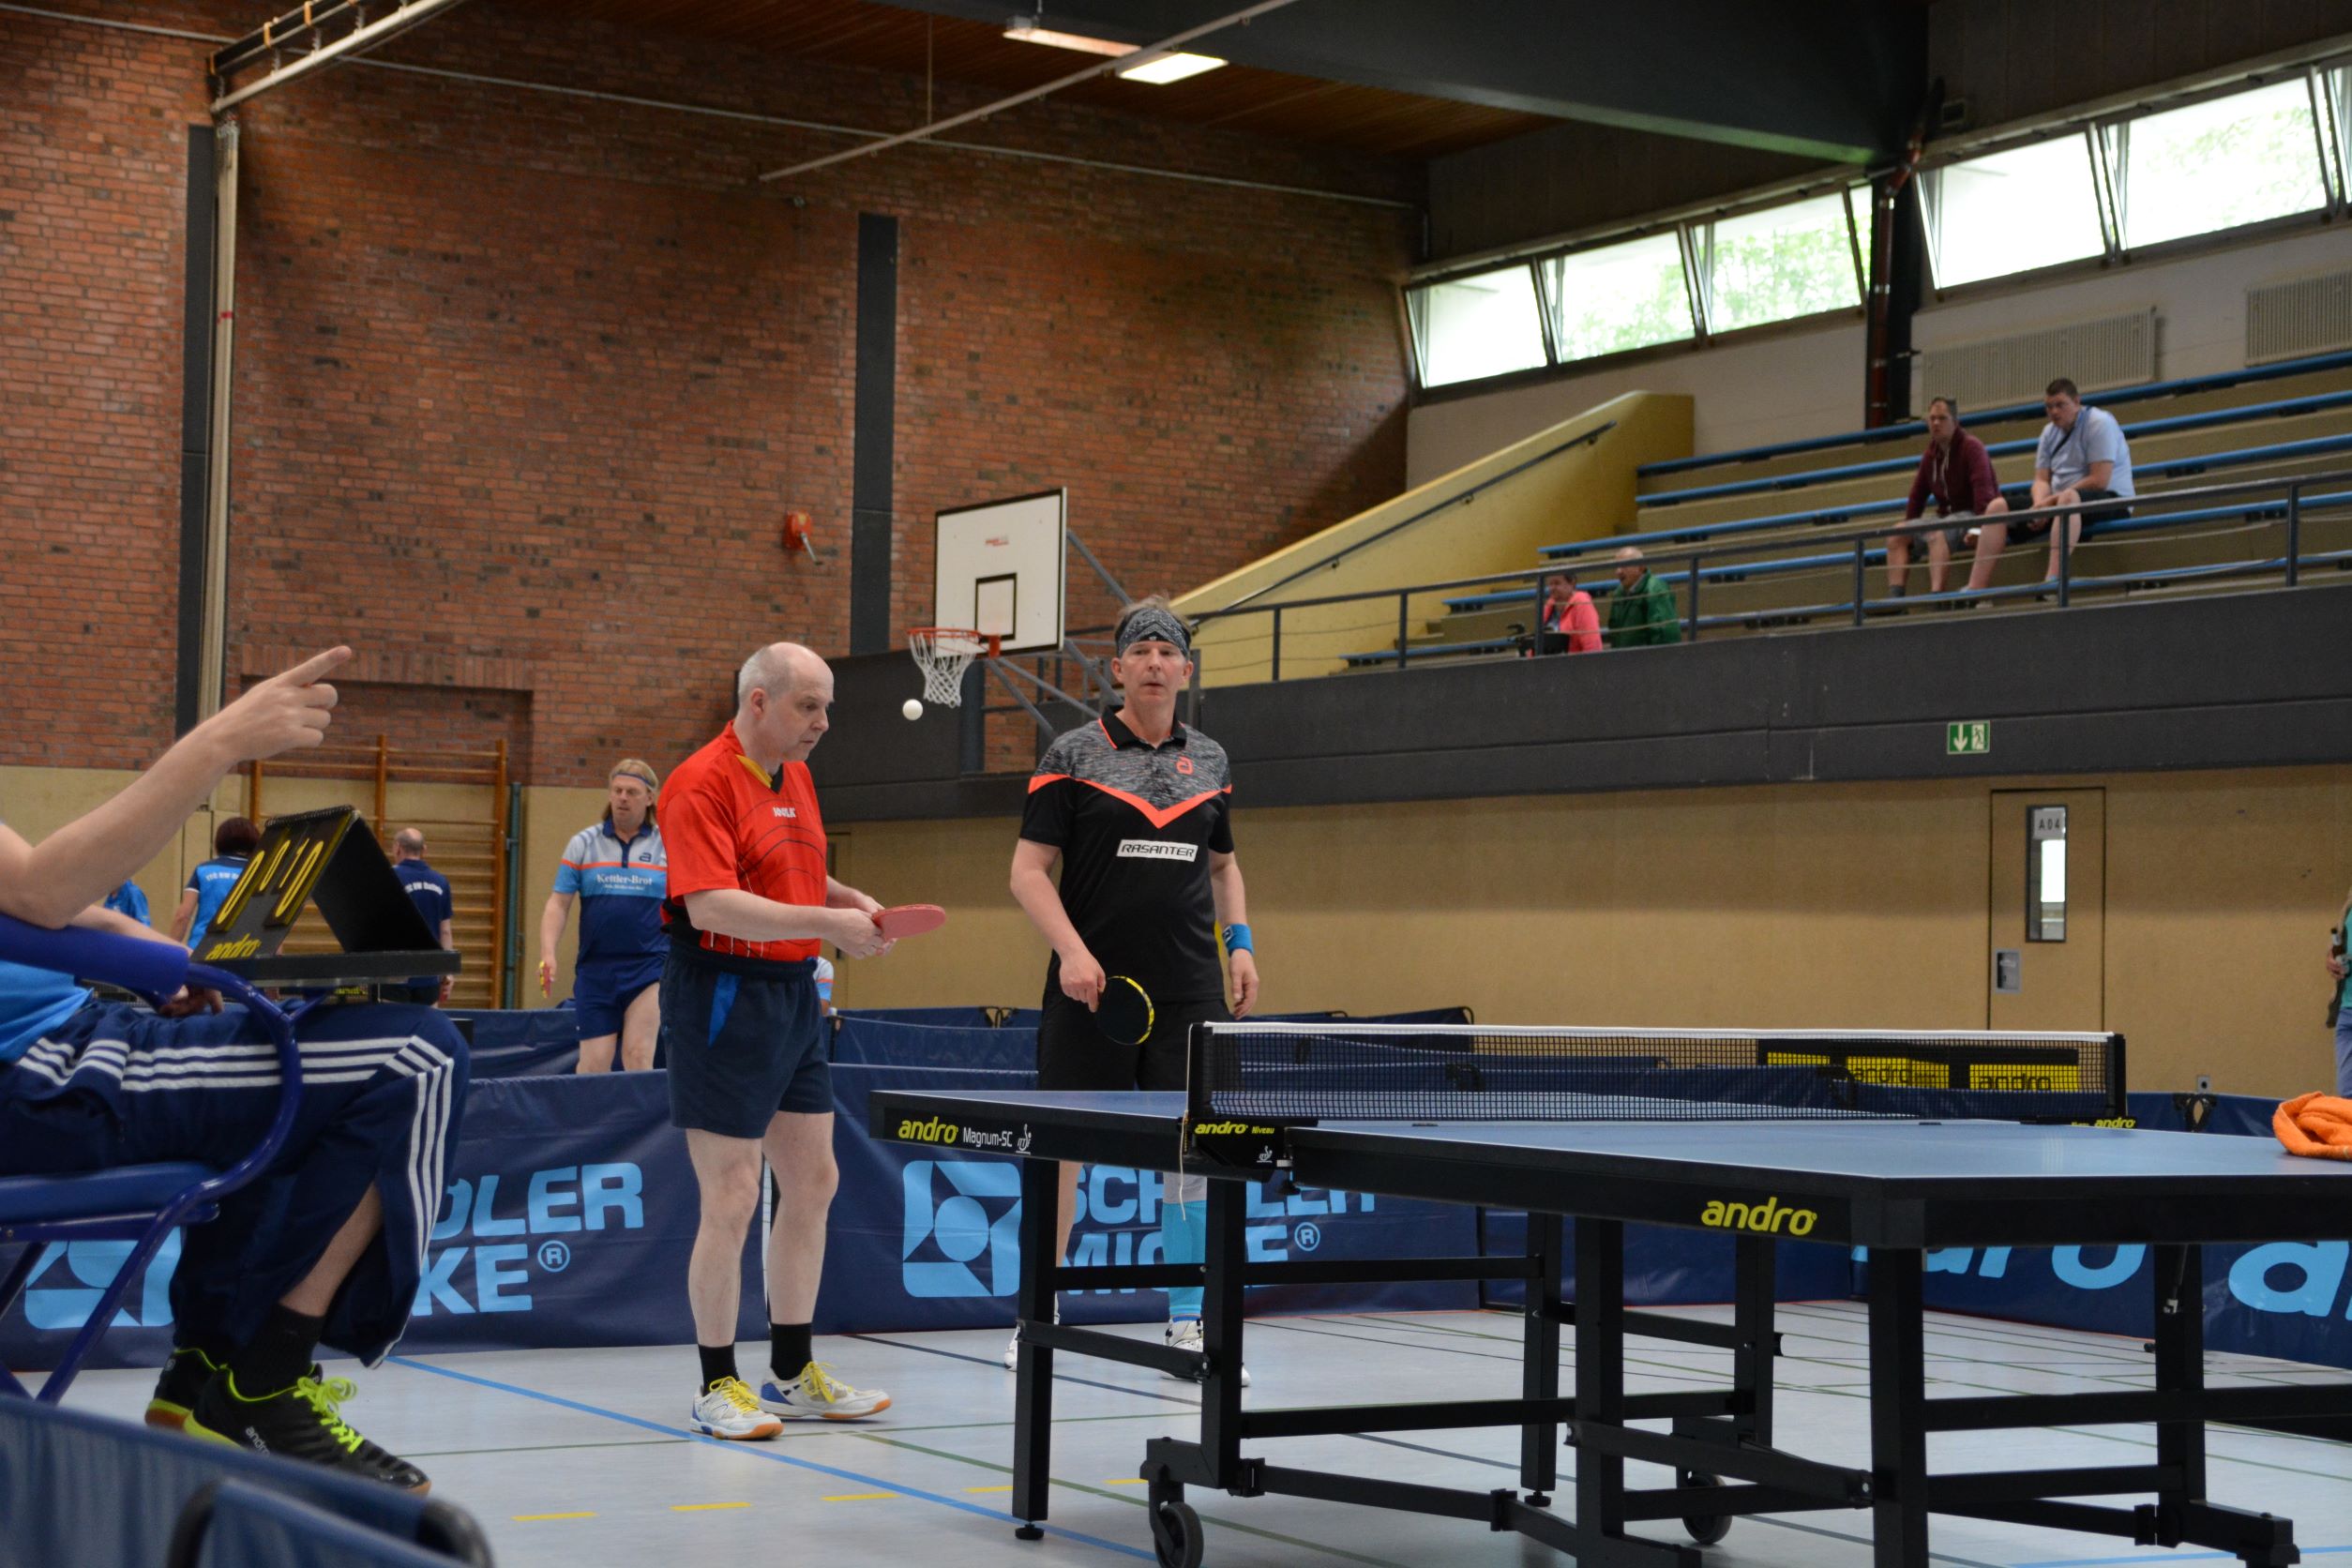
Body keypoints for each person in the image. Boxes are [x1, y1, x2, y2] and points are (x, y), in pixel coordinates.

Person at [0, 647, 467, 1491]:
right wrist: (220, 742)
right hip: (39, 1079)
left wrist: (151, 952)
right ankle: (264, 1381)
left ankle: (204, 1371)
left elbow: (35, 902)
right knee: (414, 1055)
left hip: (79, 1037)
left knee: (296, 1069)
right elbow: (38, 892)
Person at [1007, 596, 1259, 1379]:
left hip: (1190, 991)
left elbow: (1224, 867)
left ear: (1186, 670)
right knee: (1062, 1152)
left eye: (1167, 651)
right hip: (1091, 991)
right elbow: (1026, 872)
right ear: (1116, 670)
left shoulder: (1210, 761)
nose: (1154, 662)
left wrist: (1240, 946)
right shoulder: (1072, 753)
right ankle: (1038, 1314)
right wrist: (1072, 954)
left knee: (1194, 1154)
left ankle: (1187, 1321)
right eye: (1140, 651)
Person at [658, 642, 897, 1439]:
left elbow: (787, 870)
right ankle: (717, 1385)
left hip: (793, 995)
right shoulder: (698, 782)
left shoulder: (794, 775)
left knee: (814, 1180)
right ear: (758, 701)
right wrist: (829, 923)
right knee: (732, 1195)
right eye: (809, 706)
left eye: (826, 708)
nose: (823, 723)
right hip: (721, 993)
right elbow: (712, 903)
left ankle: (793, 1372)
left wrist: (844, 896)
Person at [538, 760, 668, 1073]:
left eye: (632, 792)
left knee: (638, 1055)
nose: (623, 798)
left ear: (649, 798)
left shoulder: (667, 845)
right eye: (617, 790)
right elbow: (558, 904)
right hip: (596, 969)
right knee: (593, 1065)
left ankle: (639, 1109)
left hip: (649, 967)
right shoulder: (583, 843)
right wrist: (548, 952)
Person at [1967, 377, 2134, 594]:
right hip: (2059, 503)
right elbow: (2041, 479)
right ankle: (1976, 590)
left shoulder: (2099, 423)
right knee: (1997, 506)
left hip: (2111, 499)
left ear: (2077, 402)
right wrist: (2039, 507)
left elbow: (2099, 481)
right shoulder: (2049, 432)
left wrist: (2049, 503)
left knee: (2068, 498)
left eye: (2060, 405)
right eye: (2049, 406)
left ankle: (2053, 580)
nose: (2054, 412)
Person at [1888, 396, 2009, 600]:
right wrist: (1909, 528)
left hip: (1971, 513)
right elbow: (1917, 496)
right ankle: (1896, 599)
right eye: (1932, 418)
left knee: (1936, 533)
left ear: (1955, 421)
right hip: (1946, 516)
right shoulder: (1930, 456)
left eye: (1942, 418)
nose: (1936, 423)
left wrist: (1978, 528)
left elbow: (1984, 493)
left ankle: (1937, 597)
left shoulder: (1972, 447)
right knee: (1896, 534)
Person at [388, 828, 454, 1006]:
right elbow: (445, 932)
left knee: (395, 1024)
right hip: (429, 976)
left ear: (397, 848)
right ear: (424, 849)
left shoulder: (389, 878)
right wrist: (447, 972)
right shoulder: (441, 882)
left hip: (394, 974)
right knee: (425, 1024)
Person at [171, 817, 260, 946]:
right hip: (244, 948)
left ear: (220, 840)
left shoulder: (203, 870)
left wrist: (169, 949)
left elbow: (182, 916)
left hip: (202, 947)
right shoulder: (260, 874)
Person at [1604, 548, 1683, 647]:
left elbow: (1664, 634)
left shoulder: (1655, 589)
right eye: (1616, 566)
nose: (1618, 571)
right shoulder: (1618, 593)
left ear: (1641, 567)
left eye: (1624, 566)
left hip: (1649, 656)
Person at [1535, 569, 1601, 655]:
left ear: (1572, 583)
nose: (1552, 588)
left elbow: (1592, 643)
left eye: (1557, 583)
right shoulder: (1548, 606)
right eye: (1550, 584)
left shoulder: (1582, 603)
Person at [2330, 883, 2351, 1097]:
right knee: (2346, 1095)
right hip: (2347, 1010)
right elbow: (2340, 946)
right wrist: (2331, 959)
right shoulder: (2350, 904)